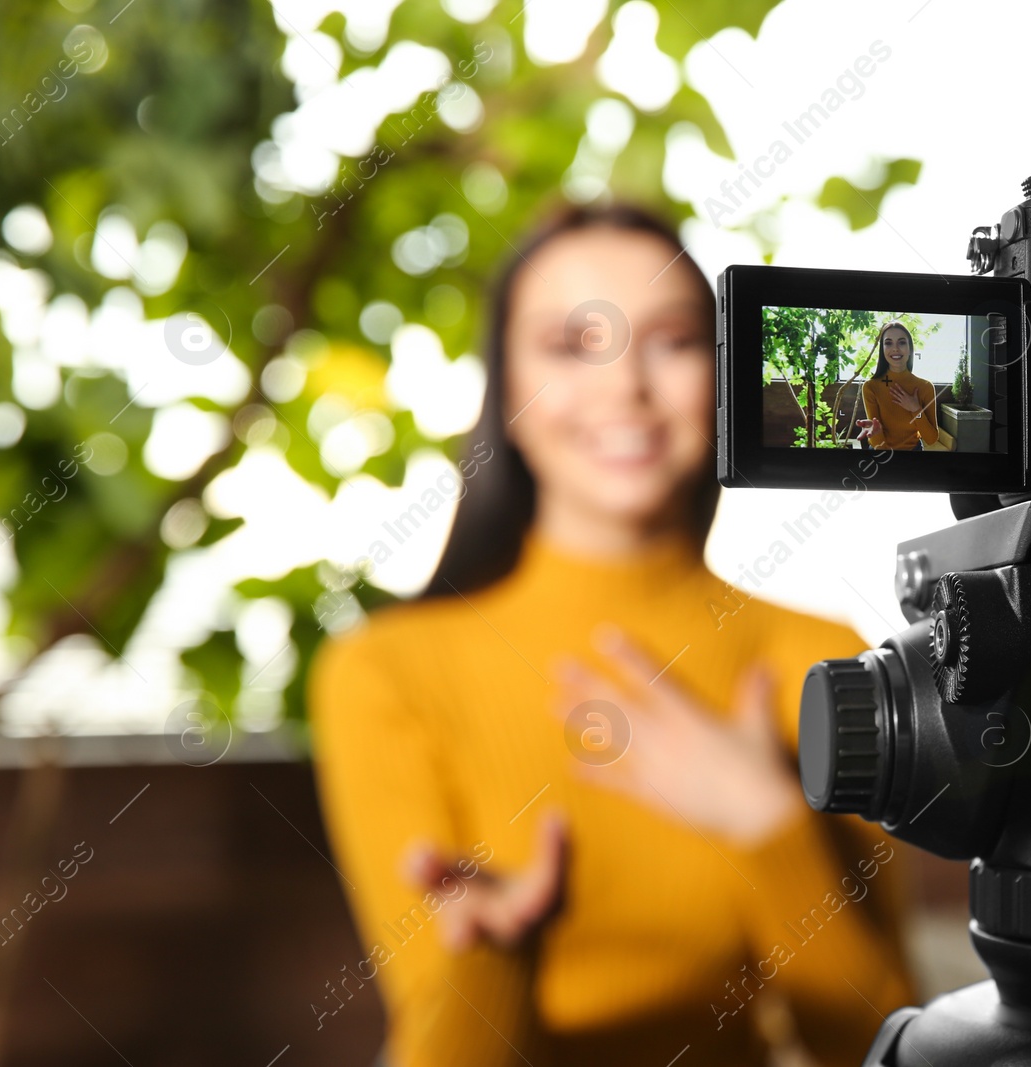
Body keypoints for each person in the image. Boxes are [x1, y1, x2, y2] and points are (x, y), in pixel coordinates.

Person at [309, 202, 914, 1067]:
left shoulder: (823, 655)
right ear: (507, 386)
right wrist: (495, 957)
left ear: (725, 378)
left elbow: (879, 1043)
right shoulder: (386, 670)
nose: (624, 388)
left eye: (670, 340)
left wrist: (769, 824)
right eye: (570, 345)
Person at [856, 320, 938, 450]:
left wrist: (916, 409)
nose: (895, 348)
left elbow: (931, 438)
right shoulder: (871, 387)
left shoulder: (925, 387)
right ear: (882, 350)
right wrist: (875, 433)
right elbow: (878, 445)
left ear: (910, 348)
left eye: (902, 342)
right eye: (888, 343)